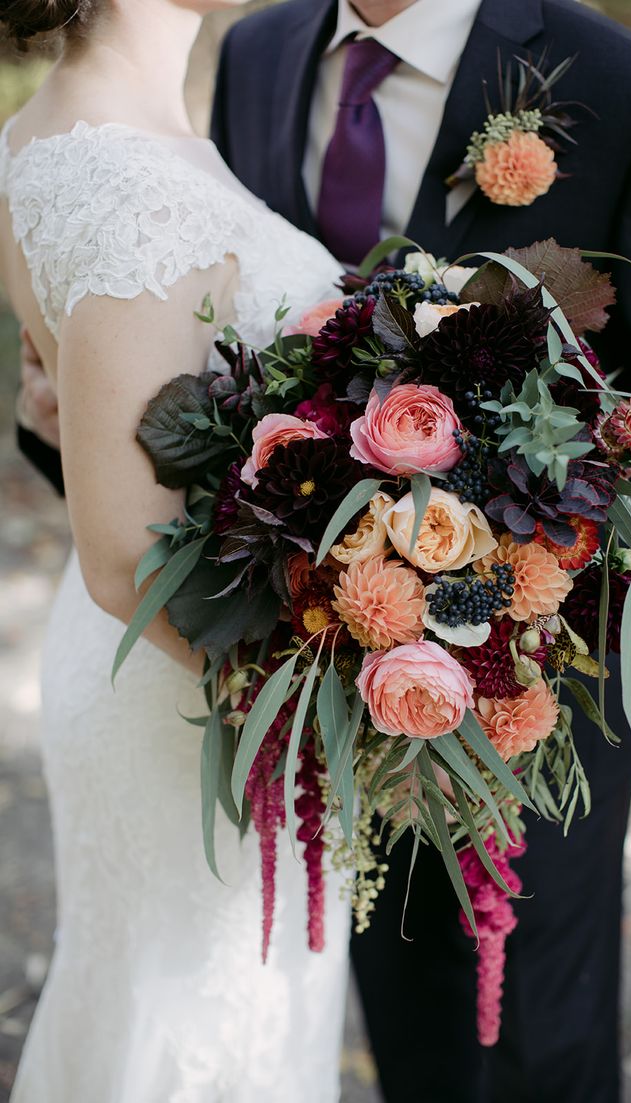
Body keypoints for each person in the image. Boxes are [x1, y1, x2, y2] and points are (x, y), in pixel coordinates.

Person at [206, 2, 631, 1102]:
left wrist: (511, 554)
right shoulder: (257, 54)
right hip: (320, 661)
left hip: (538, 680)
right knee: (408, 1018)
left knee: (526, 1042)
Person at [1, 2, 353, 1100]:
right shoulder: (121, 172)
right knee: (199, 1024)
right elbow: (124, 554)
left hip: (169, 660)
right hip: (195, 685)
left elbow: (104, 409)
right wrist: (340, 695)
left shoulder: (80, 132)